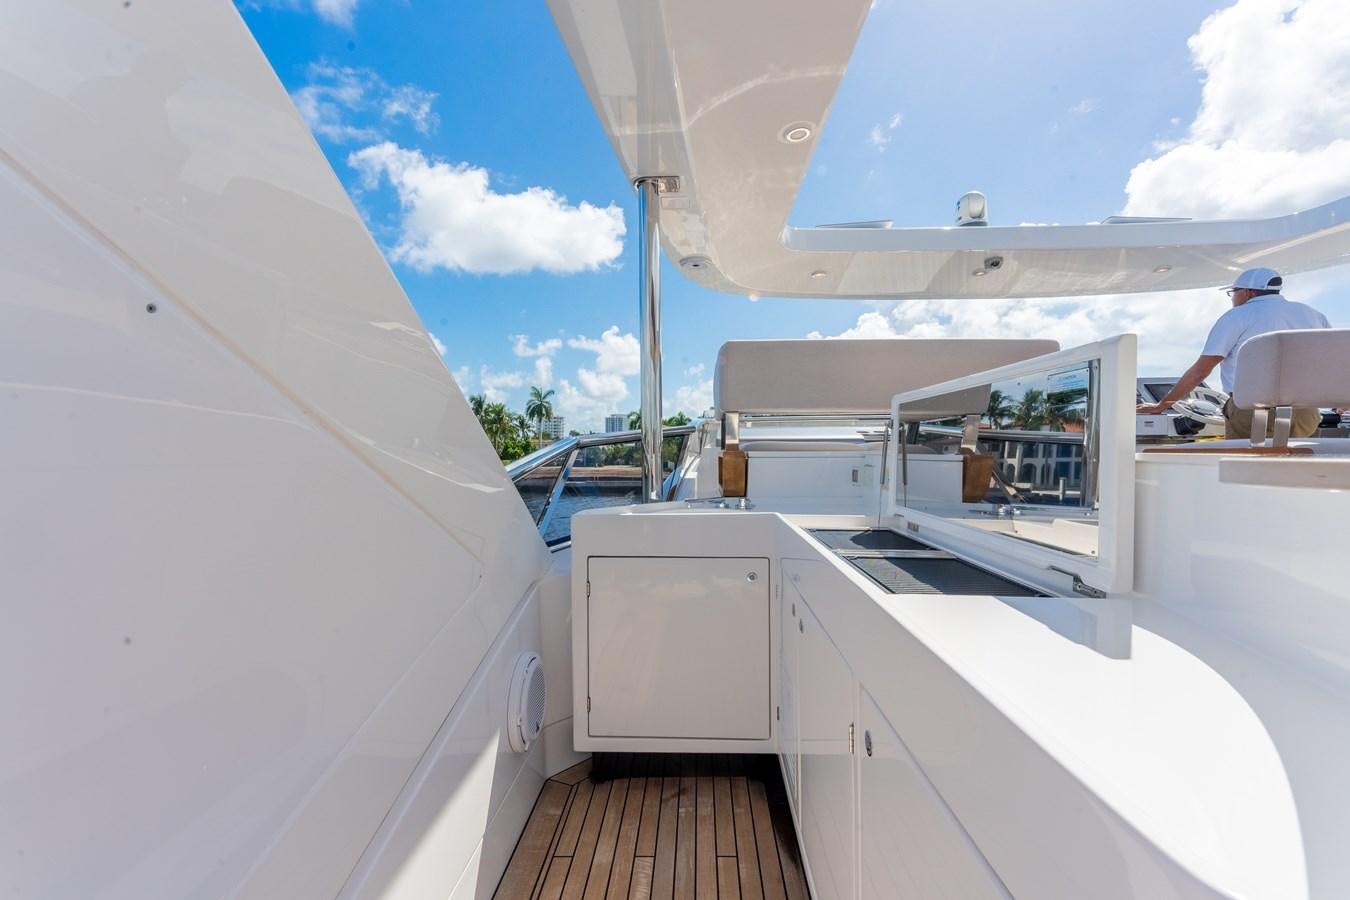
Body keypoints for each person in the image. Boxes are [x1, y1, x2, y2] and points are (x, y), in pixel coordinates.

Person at [1136, 267, 1330, 439]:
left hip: (1253, 410)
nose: (1233, 298)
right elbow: (1332, 363)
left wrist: (1162, 405)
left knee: (1249, 472)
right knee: (1300, 470)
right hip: (1305, 411)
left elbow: (1201, 371)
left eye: (1233, 292)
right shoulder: (1312, 315)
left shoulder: (1236, 316)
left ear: (1247, 292)